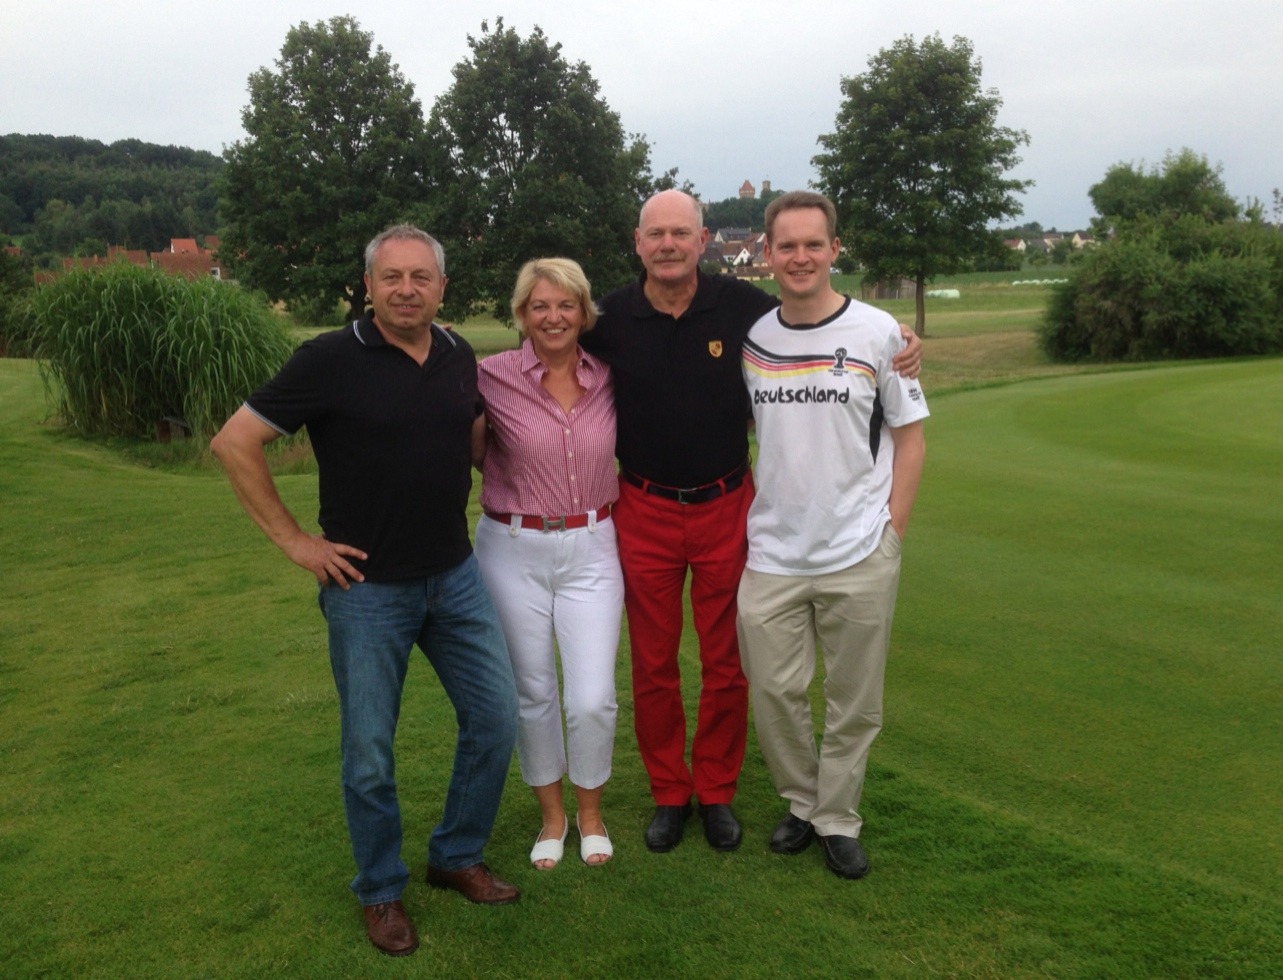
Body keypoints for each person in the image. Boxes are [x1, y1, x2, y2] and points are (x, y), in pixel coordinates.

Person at [209, 224, 521, 958]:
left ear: (442, 287)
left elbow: (470, 435)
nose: (406, 290)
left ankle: (456, 855)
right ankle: (381, 889)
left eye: (421, 277)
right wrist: (297, 542)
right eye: (392, 277)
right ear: (369, 286)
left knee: (496, 719)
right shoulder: (329, 358)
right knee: (371, 752)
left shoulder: (456, 354)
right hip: (366, 590)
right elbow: (234, 441)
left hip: (455, 577)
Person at [582, 190, 923, 854]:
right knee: (653, 664)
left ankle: (715, 790)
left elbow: (818, 315)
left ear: (703, 238)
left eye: (681, 232)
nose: (669, 245)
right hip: (643, 507)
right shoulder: (610, 316)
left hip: (727, 505)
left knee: (726, 663)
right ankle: (669, 792)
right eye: (656, 234)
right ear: (638, 241)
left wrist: (902, 340)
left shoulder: (744, 310)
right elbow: (550, 335)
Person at [736, 191, 928, 880]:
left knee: (854, 702)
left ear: (834, 249)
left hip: (859, 550)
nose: (800, 257)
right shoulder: (753, 339)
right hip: (773, 553)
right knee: (773, 691)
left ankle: (838, 818)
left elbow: (911, 438)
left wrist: (891, 533)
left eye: (813, 244)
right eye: (786, 245)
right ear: (767, 253)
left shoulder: (879, 333)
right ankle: (802, 800)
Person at [472, 258, 623, 871]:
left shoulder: (610, 376)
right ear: (521, 314)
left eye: (566, 305)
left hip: (593, 546)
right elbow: (470, 447)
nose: (553, 317)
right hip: (512, 548)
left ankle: (592, 814)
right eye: (540, 306)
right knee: (533, 690)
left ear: (584, 312)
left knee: (591, 697)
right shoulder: (489, 376)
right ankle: (553, 818)